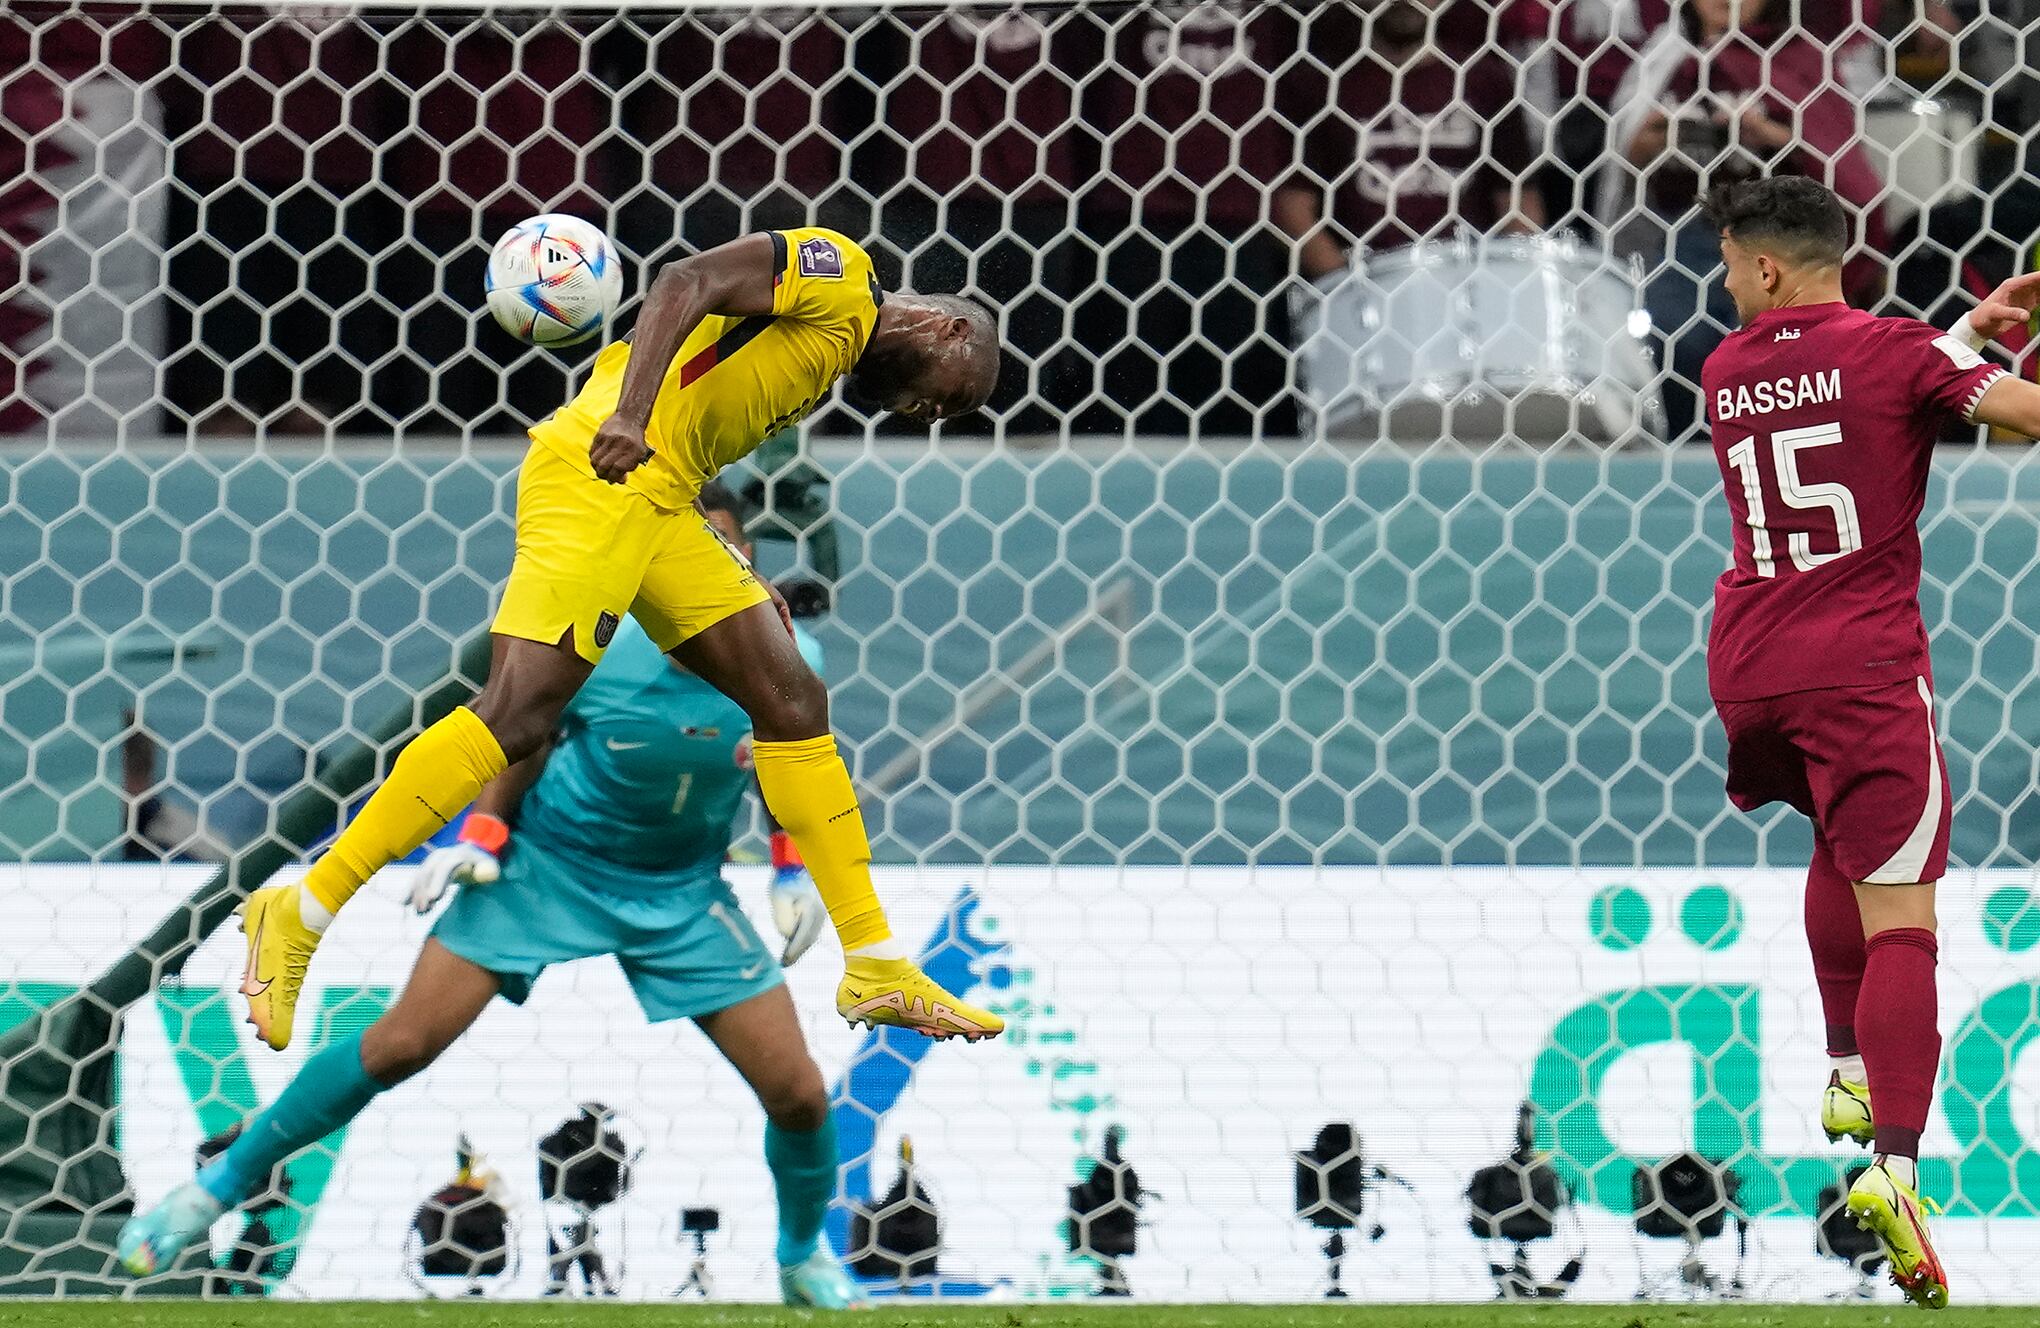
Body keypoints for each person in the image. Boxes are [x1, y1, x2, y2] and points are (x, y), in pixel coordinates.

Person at [235, 225, 1004, 1053]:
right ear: (950, 330)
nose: (927, 414)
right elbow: (684, 277)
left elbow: (697, 419)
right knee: (516, 717)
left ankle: (876, 962)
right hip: (601, 479)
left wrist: (737, 584)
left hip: (662, 503)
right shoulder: (840, 274)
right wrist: (631, 414)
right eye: (950, 398)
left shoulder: (832, 352)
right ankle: (303, 908)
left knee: (791, 699)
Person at [122, 483, 867, 1309]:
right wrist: (483, 836)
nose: (716, 564)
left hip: (683, 891)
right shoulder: (600, 644)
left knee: (797, 1091)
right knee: (402, 1043)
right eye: (694, 551)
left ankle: (801, 1259)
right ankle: (214, 1188)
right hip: (548, 869)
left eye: (728, 549)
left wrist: (792, 868)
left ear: (750, 561)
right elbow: (524, 731)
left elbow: (790, 756)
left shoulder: (788, 654)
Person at [1697, 175, 2040, 1309]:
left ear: (1761, 267)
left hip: (1750, 664)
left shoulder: (1725, 370)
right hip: (1865, 670)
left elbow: (1844, 393)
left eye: (1730, 261)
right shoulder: (1895, 354)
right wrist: (1981, 361)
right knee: (1906, 914)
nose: (1727, 279)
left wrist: (1953, 343)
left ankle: (1846, 1065)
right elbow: (2002, 415)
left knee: (1834, 839)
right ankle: (1895, 1165)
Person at [1275, 0, 1544, 281]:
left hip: (1468, 284)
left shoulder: (1485, 81)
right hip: (1362, 289)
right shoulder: (1321, 86)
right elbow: (1292, 209)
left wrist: (1505, 281)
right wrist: (1349, 287)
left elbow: (1519, 206)